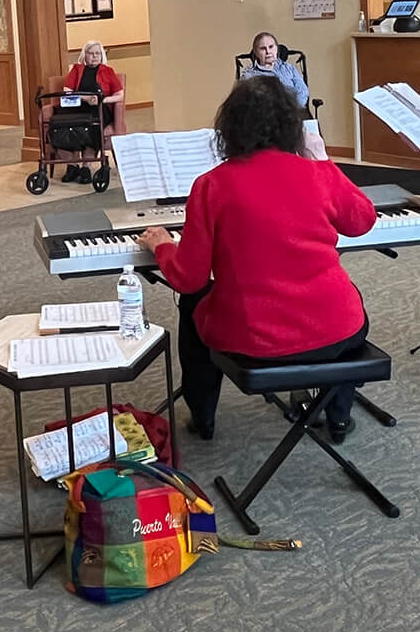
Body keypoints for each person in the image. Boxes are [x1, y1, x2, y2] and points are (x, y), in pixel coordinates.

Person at [138, 77, 375, 442]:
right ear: (292, 126)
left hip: (253, 338)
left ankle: (203, 415)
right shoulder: (317, 174)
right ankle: (338, 415)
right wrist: (325, 161)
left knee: (193, 302)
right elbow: (362, 220)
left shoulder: (212, 185)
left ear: (230, 129)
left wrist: (163, 245)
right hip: (332, 330)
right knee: (348, 305)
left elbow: (189, 278)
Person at [58, 40, 125, 184]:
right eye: (91, 53)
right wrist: (86, 98)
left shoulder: (108, 71)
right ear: (84, 55)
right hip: (78, 106)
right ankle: (72, 165)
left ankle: (86, 167)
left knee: (91, 125)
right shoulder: (77, 69)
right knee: (64, 124)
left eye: (98, 53)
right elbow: (67, 92)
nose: (94, 56)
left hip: (99, 108)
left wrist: (102, 100)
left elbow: (120, 95)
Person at [238, 31, 310, 109]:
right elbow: (246, 103)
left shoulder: (289, 68)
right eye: (263, 49)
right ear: (256, 52)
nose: (268, 52)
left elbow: (303, 92)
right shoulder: (249, 76)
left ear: (277, 48)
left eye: (271, 47)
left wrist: (291, 109)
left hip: (294, 113)